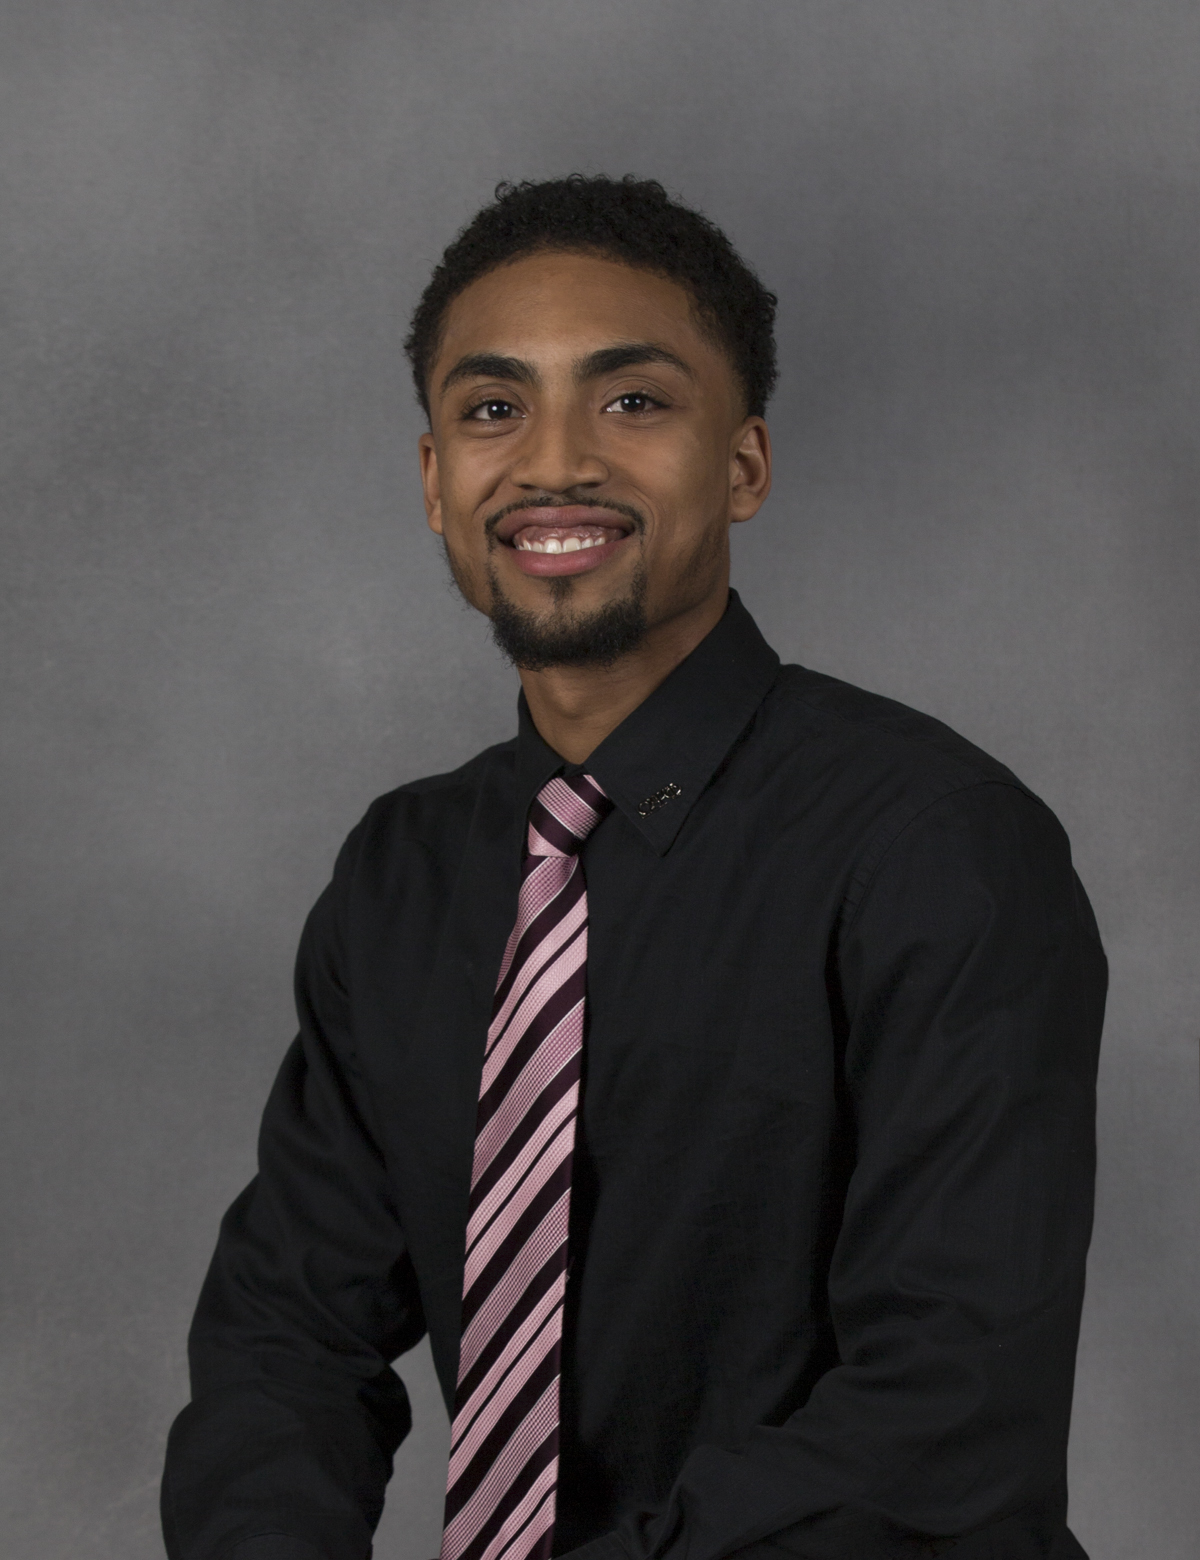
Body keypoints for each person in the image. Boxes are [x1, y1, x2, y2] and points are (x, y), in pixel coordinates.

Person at [161, 175, 1107, 1560]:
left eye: (632, 400)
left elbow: (946, 1420)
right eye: (494, 408)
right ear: (434, 481)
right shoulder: (403, 876)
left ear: (744, 466)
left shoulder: (938, 845)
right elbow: (286, 1339)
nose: (553, 462)